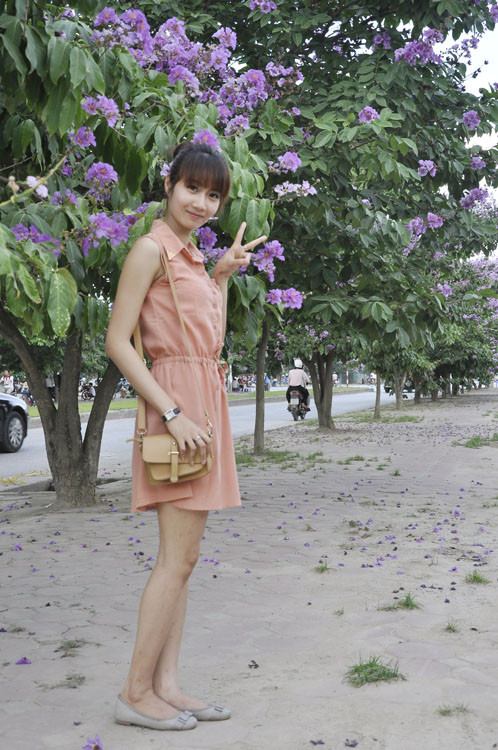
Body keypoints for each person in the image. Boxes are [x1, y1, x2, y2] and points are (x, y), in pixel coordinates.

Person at [105, 141, 266, 732]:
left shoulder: (193, 256)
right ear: (169, 184)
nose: (201, 202)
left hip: (201, 401)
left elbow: (207, 340)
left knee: (185, 559)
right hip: (175, 407)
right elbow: (118, 341)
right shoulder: (150, 249)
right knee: (175, 559)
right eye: (192, 188)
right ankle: (134, 693)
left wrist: (220, 275)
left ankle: (166, 685)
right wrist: (172, 411)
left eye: (213, 195)